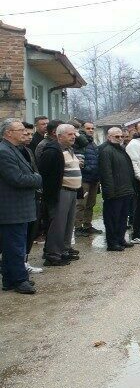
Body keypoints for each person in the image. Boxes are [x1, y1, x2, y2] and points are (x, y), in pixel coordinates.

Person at [1, 119, 42, 294]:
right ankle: (19, 280)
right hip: (12, 208)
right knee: (15, 246)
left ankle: (10, 279)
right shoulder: (4, 152)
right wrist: (37, 178)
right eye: (19, 130)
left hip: (19, 206)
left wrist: (33, 176)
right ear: (8, 133)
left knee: (14, 245)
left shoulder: (15, 149)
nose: (23, 132)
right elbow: (17, 178)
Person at [37, 123, 81, 266]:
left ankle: (63, 250)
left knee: (68, 224)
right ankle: (52, 254)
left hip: (72, 191)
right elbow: (45, 173)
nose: (73, 137)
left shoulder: (69, 149)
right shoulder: (52, 151)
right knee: (58, 224)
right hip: (60, 192)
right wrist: (50, 194)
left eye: (74, 134)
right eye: (70, 134)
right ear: (59, 136)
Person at [98, 127, 135, 251]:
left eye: (121, 136)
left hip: (125, 189)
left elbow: (128, 169)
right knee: (112, 218)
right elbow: (106, 173)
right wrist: (109, 192)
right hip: (114, 192)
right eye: (117, 136)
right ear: (109, 137)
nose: (120, 139)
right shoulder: (106, 151)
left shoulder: (121, 149)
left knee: (123, 218)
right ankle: (112, 242)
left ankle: (120, 239)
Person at [17, 123, 44, 275]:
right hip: (20, 199)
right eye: (25, 133)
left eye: (30, 134)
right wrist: (36, 178)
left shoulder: (27, 150)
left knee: (30, 232)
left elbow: (35, 170)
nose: (28, 137)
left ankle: (25, 260)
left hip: (34, 195)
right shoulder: (11, 152)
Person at [74, 121, 101, 236]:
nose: (90, 130)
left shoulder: (93, 143)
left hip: (94, 178)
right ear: (82, 129)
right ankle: (78, 227)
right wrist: (87, 168)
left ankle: (87, 225)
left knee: (91, 203)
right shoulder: (79, 141)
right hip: (84, 178)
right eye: (88, 128)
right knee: (81, 204)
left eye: (92, 128)